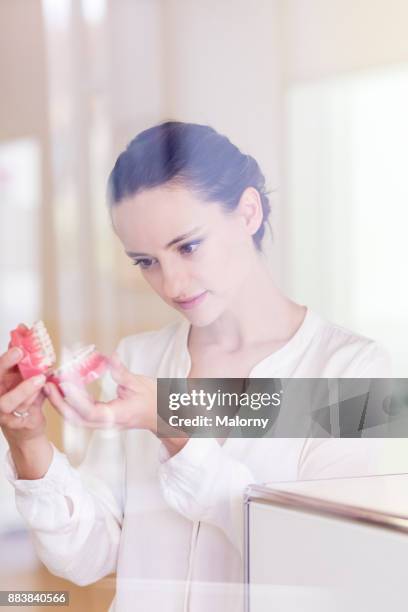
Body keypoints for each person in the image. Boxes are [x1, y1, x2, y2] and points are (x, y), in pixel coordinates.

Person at [0, 121, 396, 612]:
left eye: (187, 246)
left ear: (247, 212)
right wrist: (27, 439)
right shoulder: (140, 359)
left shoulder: (355, 373)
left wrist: (172, 423)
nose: (172, 283)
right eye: (145, 261)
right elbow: (88, 556)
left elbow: (328, 565)